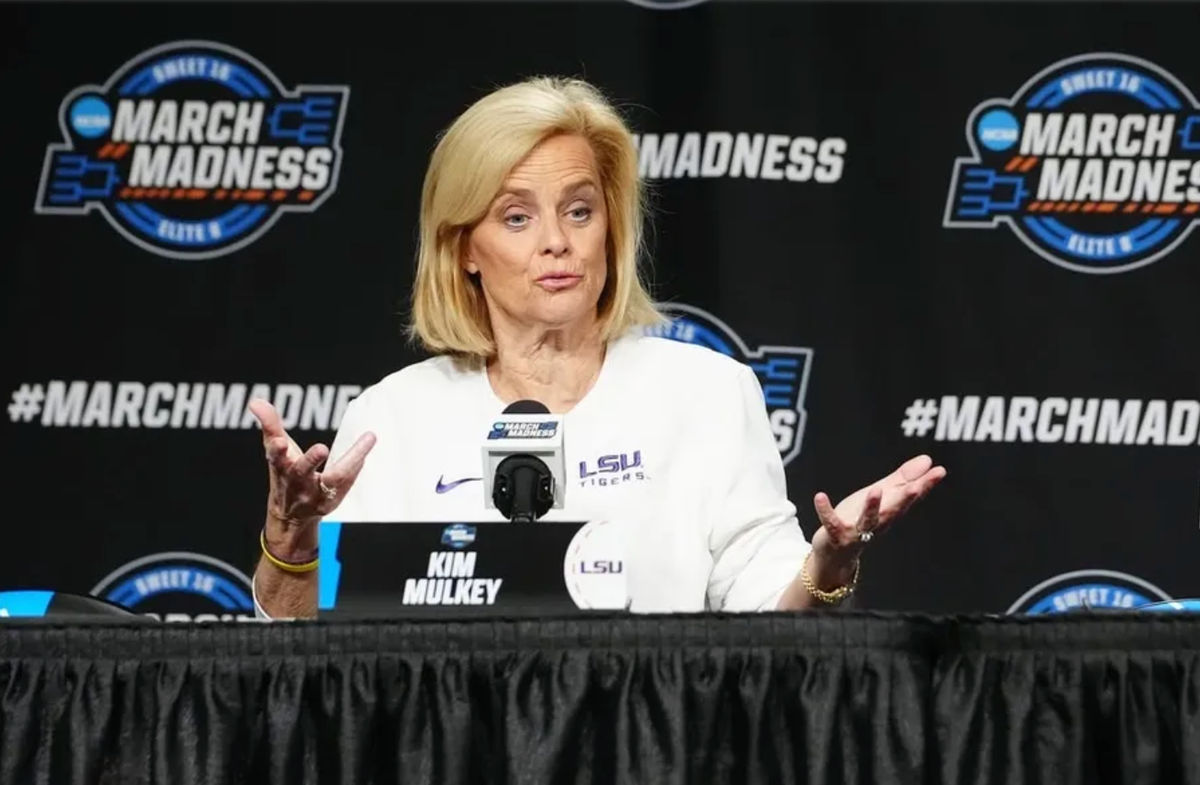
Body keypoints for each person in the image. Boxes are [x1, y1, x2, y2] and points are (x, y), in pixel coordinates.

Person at [247, 76, 945, 619]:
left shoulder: (708, 393)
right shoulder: (393, 416)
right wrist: (292, 540)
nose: (558, 240)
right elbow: (310, 650)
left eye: (580, 210)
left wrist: (827, 566)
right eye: (517, 217)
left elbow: (770, 617)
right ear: (464, 247)